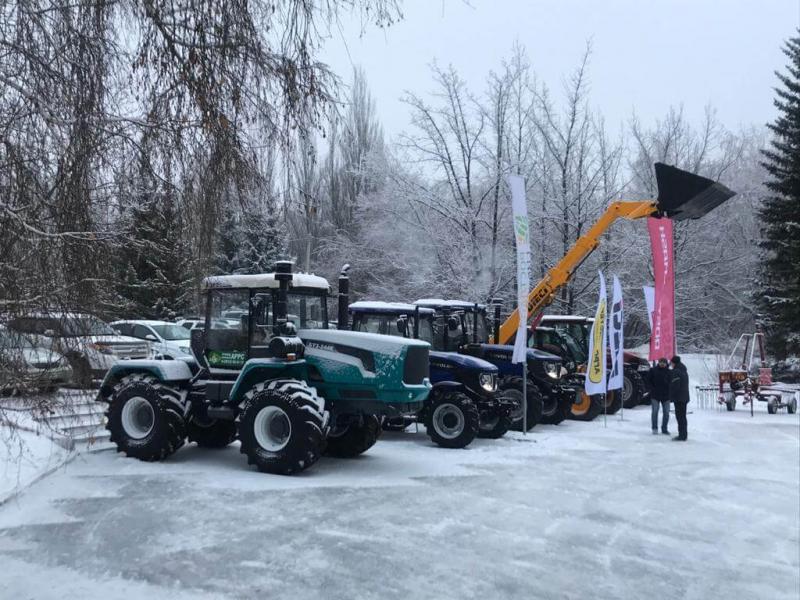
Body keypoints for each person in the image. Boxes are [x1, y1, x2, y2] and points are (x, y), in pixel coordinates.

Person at [669, 355, 690, 441]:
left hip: (679, 397)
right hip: (684, 397)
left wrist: (671, 396)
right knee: (683, 417)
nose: (670, 365)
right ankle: (683, 434)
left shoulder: (676, 371)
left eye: (671, 363)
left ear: (674, 363)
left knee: (680, 417)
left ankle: (682, 435)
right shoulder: (684, 370)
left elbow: (675, 385)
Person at [648, 358, 671, 434]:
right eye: (661, 362)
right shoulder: (653, 370)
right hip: (655, 395)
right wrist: (652, 389)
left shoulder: (669, 372)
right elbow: (648, 380)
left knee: (666, 413)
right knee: (655, 412)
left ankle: (664, 428)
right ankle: (654, 428)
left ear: (666, 363)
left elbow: (672, 383)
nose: (662, 364)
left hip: (666, 396)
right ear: (659, 362)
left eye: (664, 363)